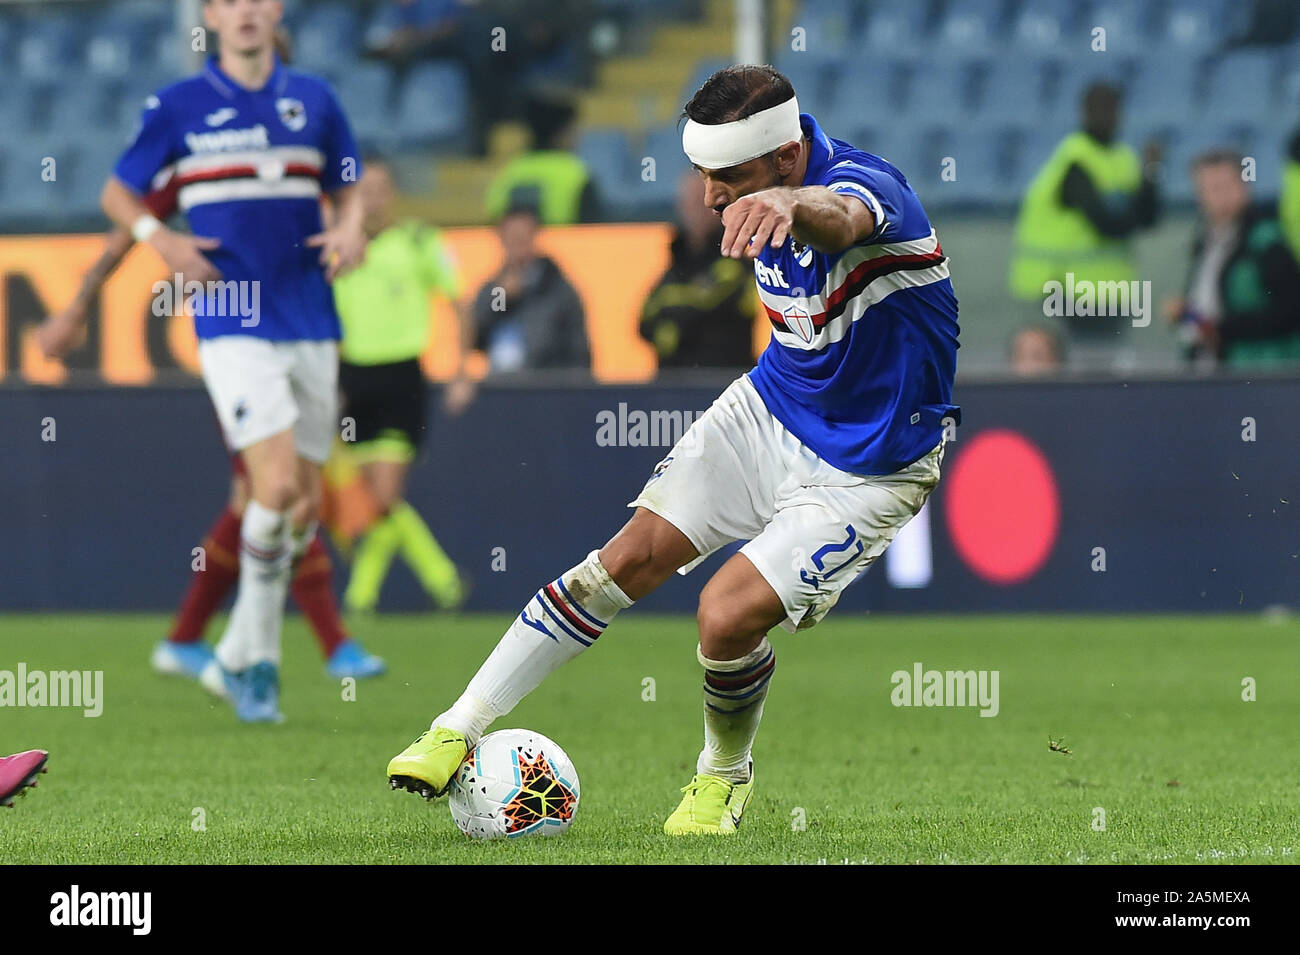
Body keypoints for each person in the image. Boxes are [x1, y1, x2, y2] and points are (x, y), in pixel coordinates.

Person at [386, 64, 959, 835]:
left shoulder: (867, 188)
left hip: (870, 465)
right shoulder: (752, 190)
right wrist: (765, 197)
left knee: (724, 617)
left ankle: (723, 778)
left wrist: (791, 205)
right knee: (619, 561)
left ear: (787, 160)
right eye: (701, 173)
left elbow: (844, 217)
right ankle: (456, 725)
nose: (710, 194)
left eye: (728, 177)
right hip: (772, 408)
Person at [37, 25, 385, 686]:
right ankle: (303, 645)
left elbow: (347, 187)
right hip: (236, 330)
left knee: (288, 500)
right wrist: (77, 308)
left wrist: (349, 225)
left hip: (304, 324)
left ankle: (197, 637)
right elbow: (121, 232)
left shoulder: (306, 121)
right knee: (271, 488)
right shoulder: (193, 143)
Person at [332, 155, 468, 615]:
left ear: (392, 194)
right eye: (362, 190)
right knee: (368, 502)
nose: (371, 198)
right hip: (351, 379)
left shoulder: (417, 240)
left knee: (385, 496)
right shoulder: (340, 249)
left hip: (400, 378)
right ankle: (440, 577)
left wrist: (464, 370)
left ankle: (364, 595)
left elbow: (458, 300)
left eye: (379, 189)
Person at [1009, 82, 1161, 366]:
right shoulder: (1075, 160)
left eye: (1112, 109)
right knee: (1071, 373)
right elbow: (1108, 224)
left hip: (1107, 293)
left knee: (1102, 375)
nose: (1107, 116)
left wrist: (1151, 174)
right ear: (1084, 112)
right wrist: (1135, 207)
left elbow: (1149, 218)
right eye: (1099, 108)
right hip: (1062, 291)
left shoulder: (1123, 158)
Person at [1163, 149, 1300, 368]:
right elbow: (1207, 317)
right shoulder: (1206, 243)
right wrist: (1187, 315)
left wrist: (1222, 328)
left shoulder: (1266, 241)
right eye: (1207, 189)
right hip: (1213, 366)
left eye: (1223, 186)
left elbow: (1290, 311)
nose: (1216, 196)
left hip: (1260, 370)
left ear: (1244, 187)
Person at [639, 171, 756, 372]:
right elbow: (644, 321)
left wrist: (671, 321)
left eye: (700, 202)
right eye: (688, 201)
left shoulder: (735, 260)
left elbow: (704, 303)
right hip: (670, 388)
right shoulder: (676, 262)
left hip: (724, 383)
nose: (694, 210)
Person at [470, 204, 590, 374]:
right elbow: (475, 340)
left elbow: (578, 350)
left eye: (522, 239)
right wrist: (502, 299)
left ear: (534, 237)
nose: (517, 246)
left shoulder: (558, 289)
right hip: (504, 389)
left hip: (547, 387)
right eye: (511, 239)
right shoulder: (495, 290)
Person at [484, 92, 599, 225]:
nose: (579, 136)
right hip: (565, 244)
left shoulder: (510, 172)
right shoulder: (577, 174)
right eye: (573, 129)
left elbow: (495, 216)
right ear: (560, 133)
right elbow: (592, 229)